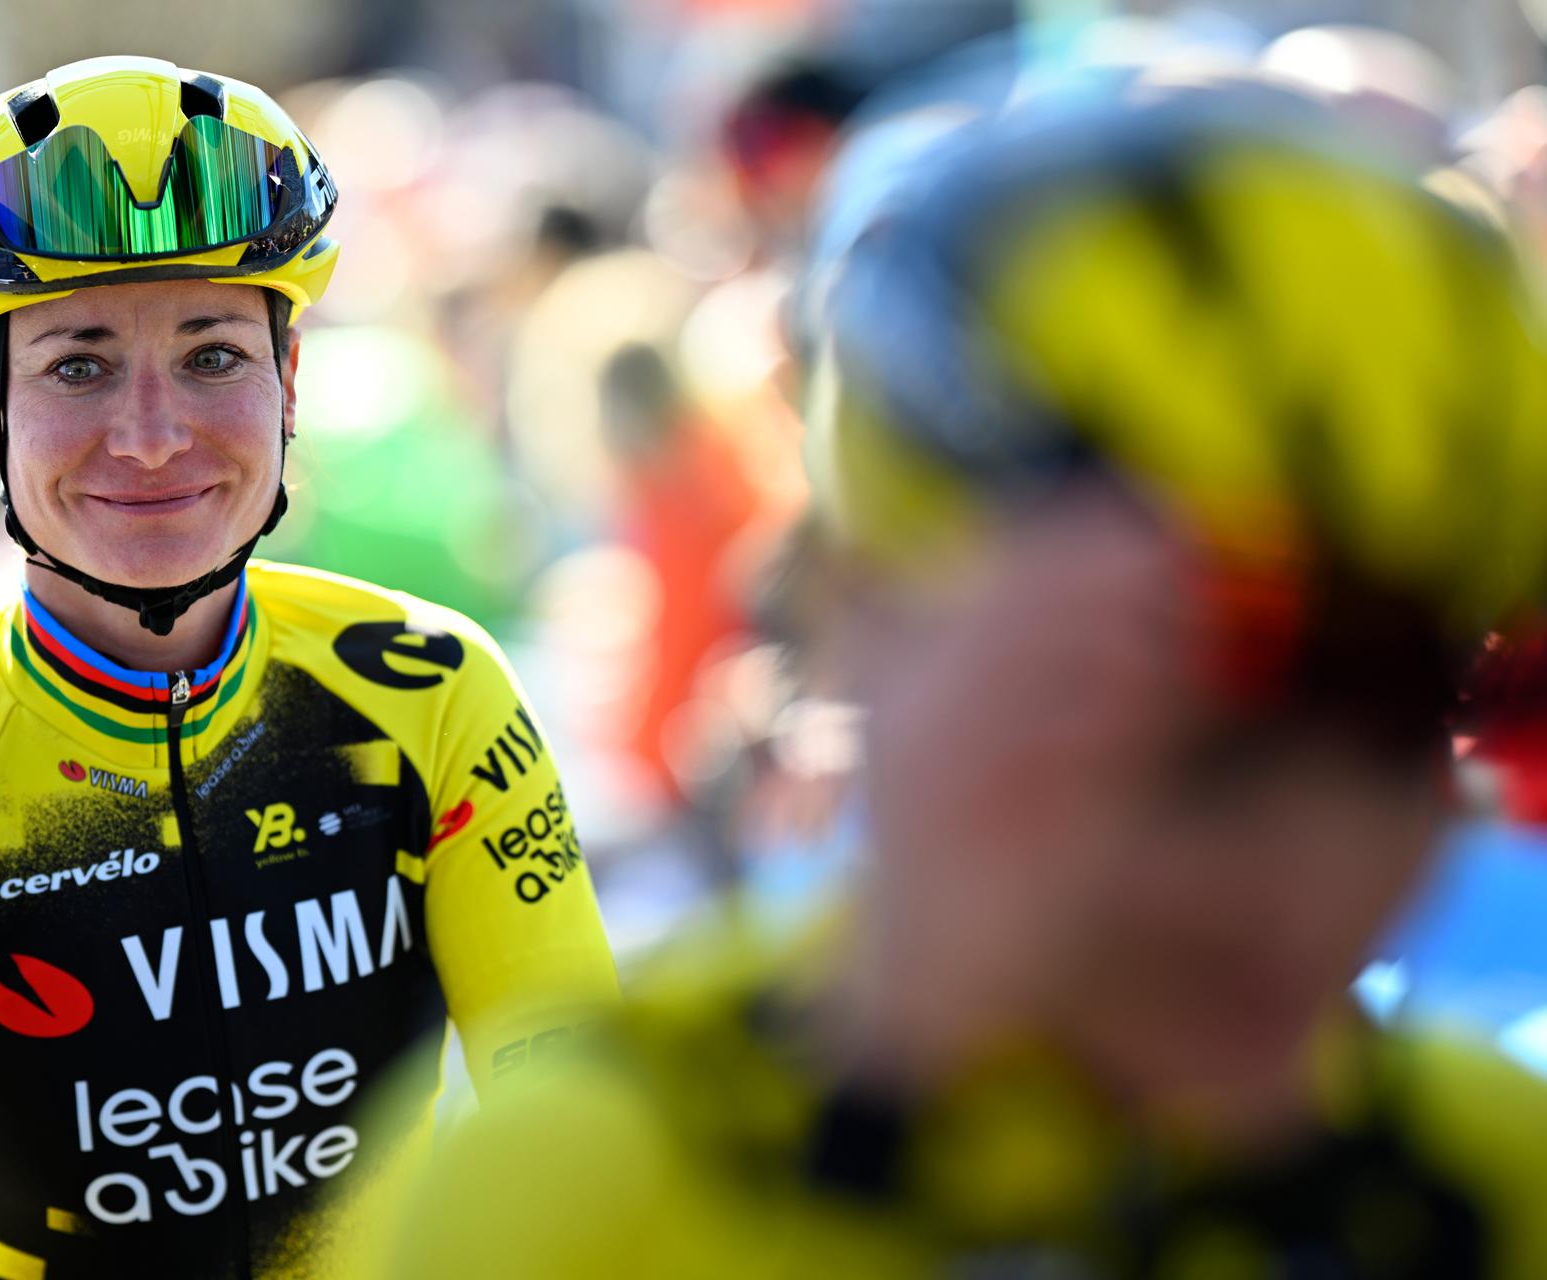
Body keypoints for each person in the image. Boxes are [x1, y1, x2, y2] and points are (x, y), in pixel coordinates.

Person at [380, 82, 1547, 1277]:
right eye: (1176, 746)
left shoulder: (1498, 1167)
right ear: (862, 624)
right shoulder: (586, 1188)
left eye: (1402, 730)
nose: (1313, 859)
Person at [0, 55, 619, 1280]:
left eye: (212, 354)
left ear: (290, 378)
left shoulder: (431, 692)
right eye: (77, 365)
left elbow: (588, 1145)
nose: (152, 436)